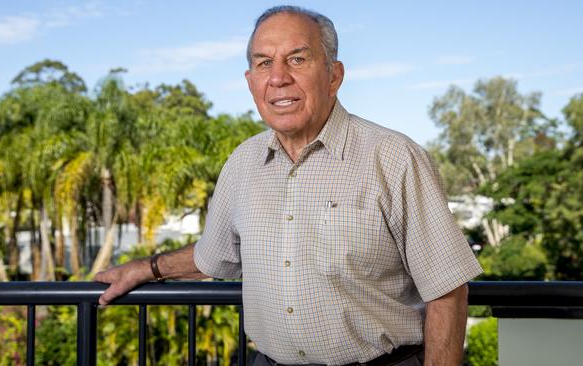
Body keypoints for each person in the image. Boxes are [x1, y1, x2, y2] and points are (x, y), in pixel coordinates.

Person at [95, 5, 483, 366]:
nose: (278, 77)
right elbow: (216, 255)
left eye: (297, 59)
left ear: (333, 76)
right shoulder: (242, 164)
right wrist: (148, 269)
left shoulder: (394, 158)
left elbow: (447, 290)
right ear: (251, 82)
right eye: (264, 63)